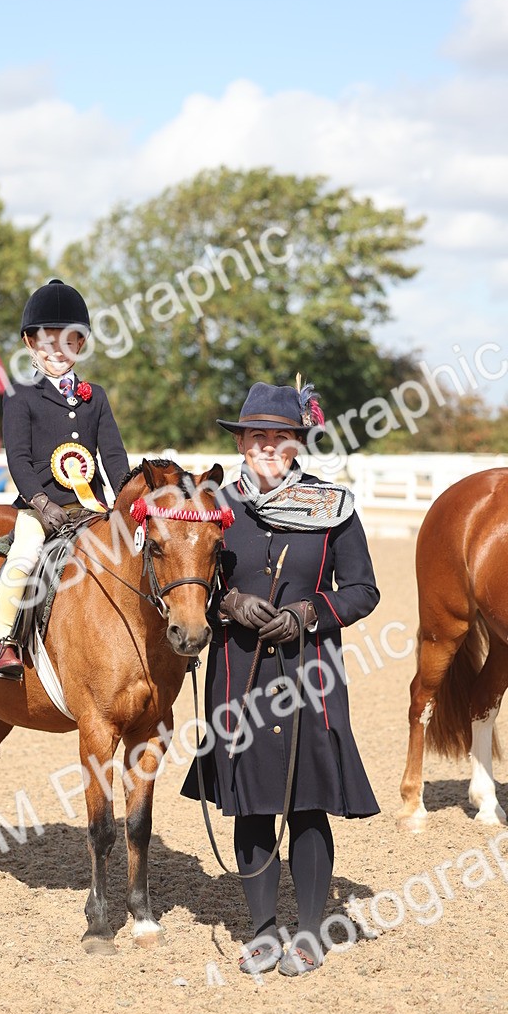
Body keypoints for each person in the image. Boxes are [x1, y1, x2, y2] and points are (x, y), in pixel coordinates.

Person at [181, 380, 380, 976]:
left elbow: (364, 590)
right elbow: (193, 586)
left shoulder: (333, 506)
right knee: (252, 803)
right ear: (241, 443)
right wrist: (228, 605)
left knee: (308, 805)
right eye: (257, 436)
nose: (268, 446)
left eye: (281, 437)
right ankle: (263, 930)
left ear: (297, 443)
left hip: (309, 674)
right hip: (237, 672)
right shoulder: (214, 507)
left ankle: (312, 933)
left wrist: (307, 613)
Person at [0, 279, 130, 680]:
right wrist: (42, 503)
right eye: (47, 342)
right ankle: (3, 644)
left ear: (80, 345)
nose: (57, 351)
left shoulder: (94, 396)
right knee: (24, 555)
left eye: (68, 341)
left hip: (91, 508)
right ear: (31, 344)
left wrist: (127, 499)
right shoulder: (20, 394)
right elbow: (17, 458)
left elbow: (114, 457)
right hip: (41, 508)